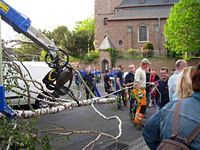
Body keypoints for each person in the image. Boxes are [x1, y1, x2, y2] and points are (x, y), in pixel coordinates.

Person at [143, 63, 200, 150]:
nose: (162, 75)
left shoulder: (167, 82)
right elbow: (155, 91)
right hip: (163, 104)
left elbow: (149, 133)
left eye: (163, 73)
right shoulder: (159, 82)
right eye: (161, 73)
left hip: (171, 106)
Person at [133, 58, 151, 126]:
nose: (148, 66)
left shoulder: (143, 70)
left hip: (142, 89)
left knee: (142, 106)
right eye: (147, 64)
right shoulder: (139, 71)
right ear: (144, 64)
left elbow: (141, 81)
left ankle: (138, 121)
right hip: (138, 89)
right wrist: (139, 92)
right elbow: (136, 83)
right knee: (142, 106)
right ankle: (137, 122)